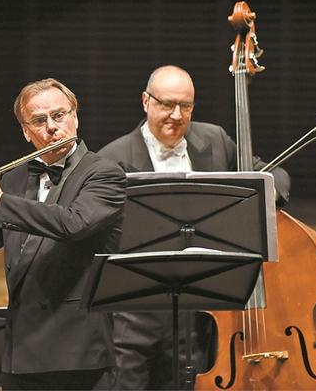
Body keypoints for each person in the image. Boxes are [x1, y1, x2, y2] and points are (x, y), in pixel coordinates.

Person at [0, 78, 127, 390]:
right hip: (21, 349)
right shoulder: (16, 179)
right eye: (39, 120)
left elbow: (73, 224)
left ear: (75, 117)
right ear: (25, 131)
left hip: (79, 351)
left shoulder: (104, 173)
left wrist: (0, 199)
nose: (52, 127)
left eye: (59, 115)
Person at [98, 65, 291, 390]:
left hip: (198, 317)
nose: (176, 115)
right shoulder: (111, 159)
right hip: (135, 318)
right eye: (166, 104)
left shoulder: (214, 140)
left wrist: (267, 196)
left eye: (185, 106)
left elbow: (269, 174)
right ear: (145, 101)